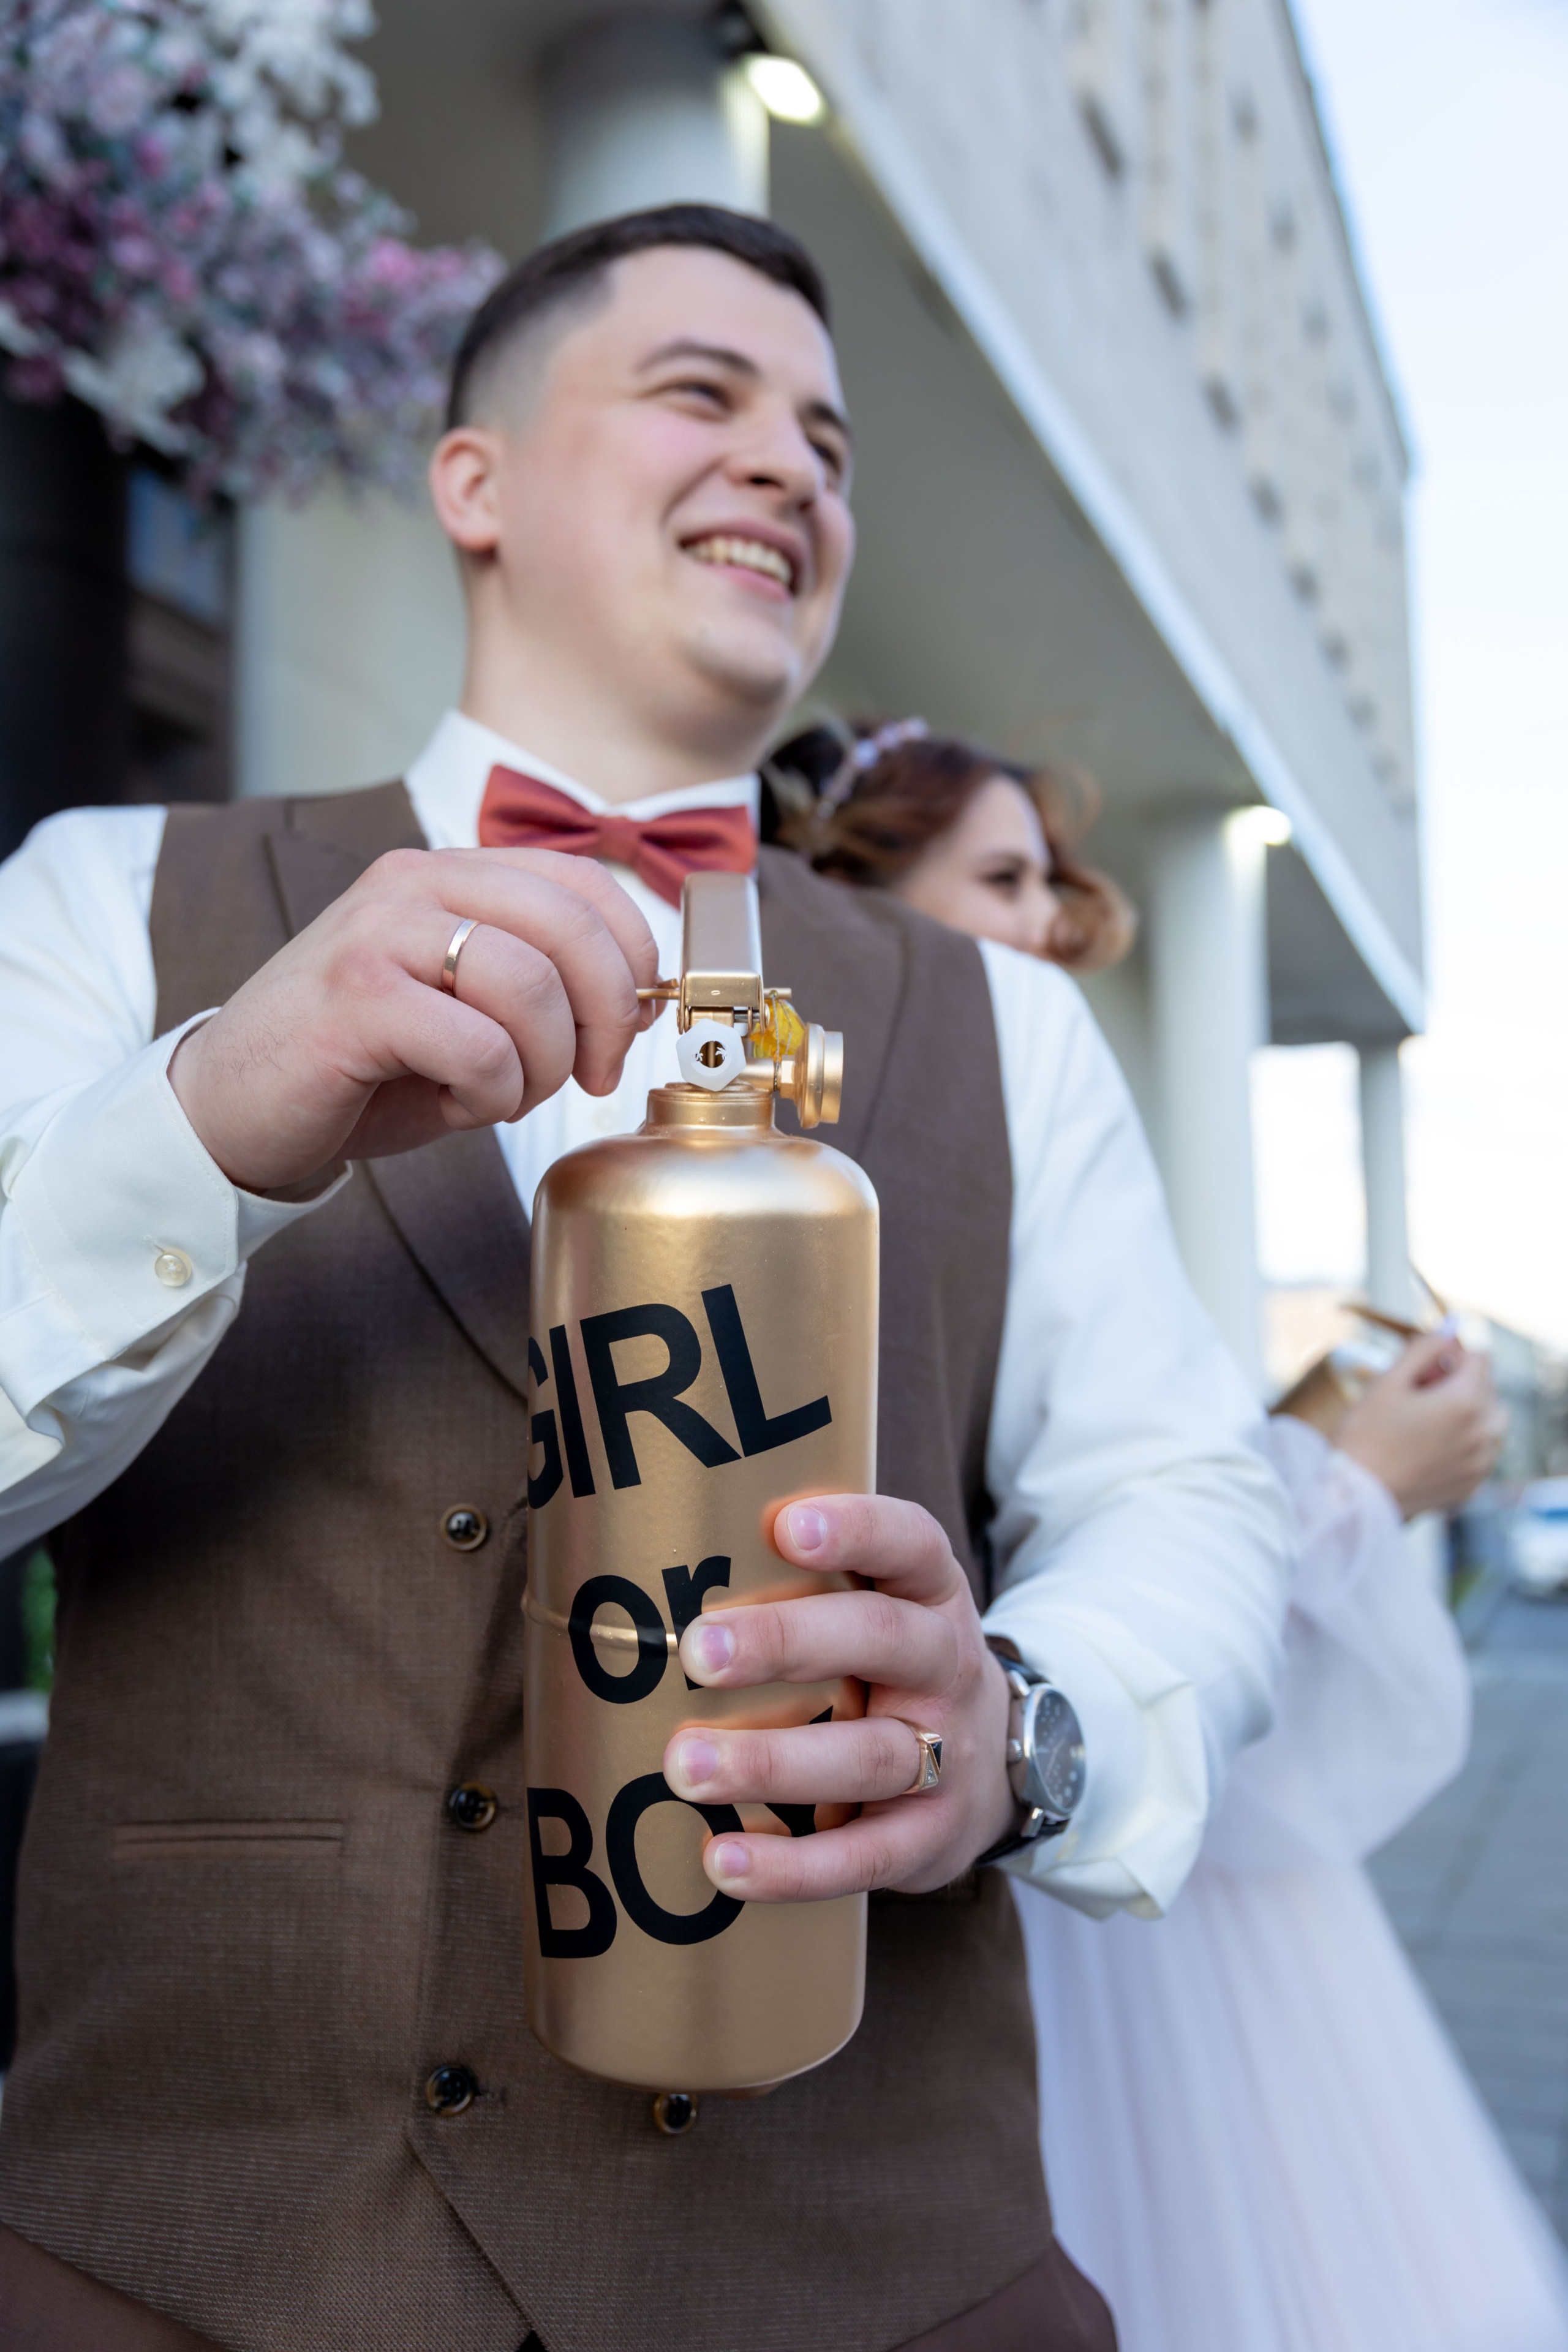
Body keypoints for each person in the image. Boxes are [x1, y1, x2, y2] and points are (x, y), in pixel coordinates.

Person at [0, 208, 1290, 2352]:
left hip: (868, 2269)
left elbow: (1185, 1489)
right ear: (472, 483)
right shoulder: (106, 902)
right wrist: (214, 1111)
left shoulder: (1004, 1021)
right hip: (176, 2256)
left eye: (831, 442)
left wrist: (1024, 1732)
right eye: (702, 393)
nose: (793, 464)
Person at [792, 718, 1568, 2352]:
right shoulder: (824, 1176)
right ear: (859, 897)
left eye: (1055, 890)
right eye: (1002, 880)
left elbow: (1151, 1518)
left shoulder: (1054, 1116)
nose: (1048, 926)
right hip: (977, 1884)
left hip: (1090, 1798)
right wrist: (1353, 1484)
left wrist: (1321, 1447)